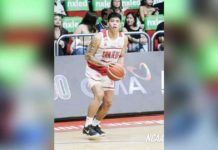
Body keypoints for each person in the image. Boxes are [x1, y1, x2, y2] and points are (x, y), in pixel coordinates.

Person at [83, 12, 128, 136]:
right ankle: (87, 126)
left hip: (108, 73)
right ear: (107, 23)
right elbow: (88, 56)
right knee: (99, 95)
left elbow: (122, 56)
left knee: (108, 102)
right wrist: (103, 65)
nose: (114, 23)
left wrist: (121, 69)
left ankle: (95, 124)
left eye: (117, 21)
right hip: (94, 69)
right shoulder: (99, 37)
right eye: (112, 21)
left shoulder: (123, 38)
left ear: (120, 24)